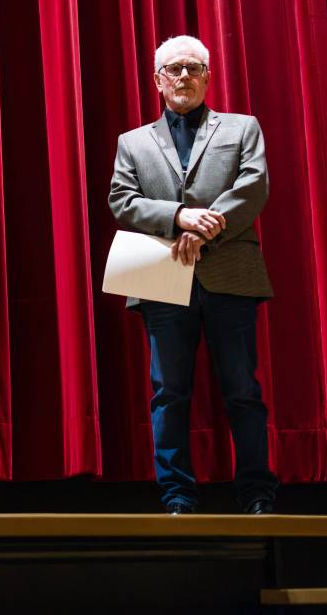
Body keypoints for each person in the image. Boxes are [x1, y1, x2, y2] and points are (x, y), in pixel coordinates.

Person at [108, 35, 277, 515]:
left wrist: (208, 228)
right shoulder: (133, 142)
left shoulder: (242, 128)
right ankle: (178, 496)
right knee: (169, 393)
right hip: (161, 281)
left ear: (208, 76)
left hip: (231, 276)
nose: (183, 76)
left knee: (243, 391)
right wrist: (180, 217)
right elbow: (121, 200)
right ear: (158, 81)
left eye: (193, 68)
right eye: (173, 69)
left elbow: (253, 184)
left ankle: (257, 494)